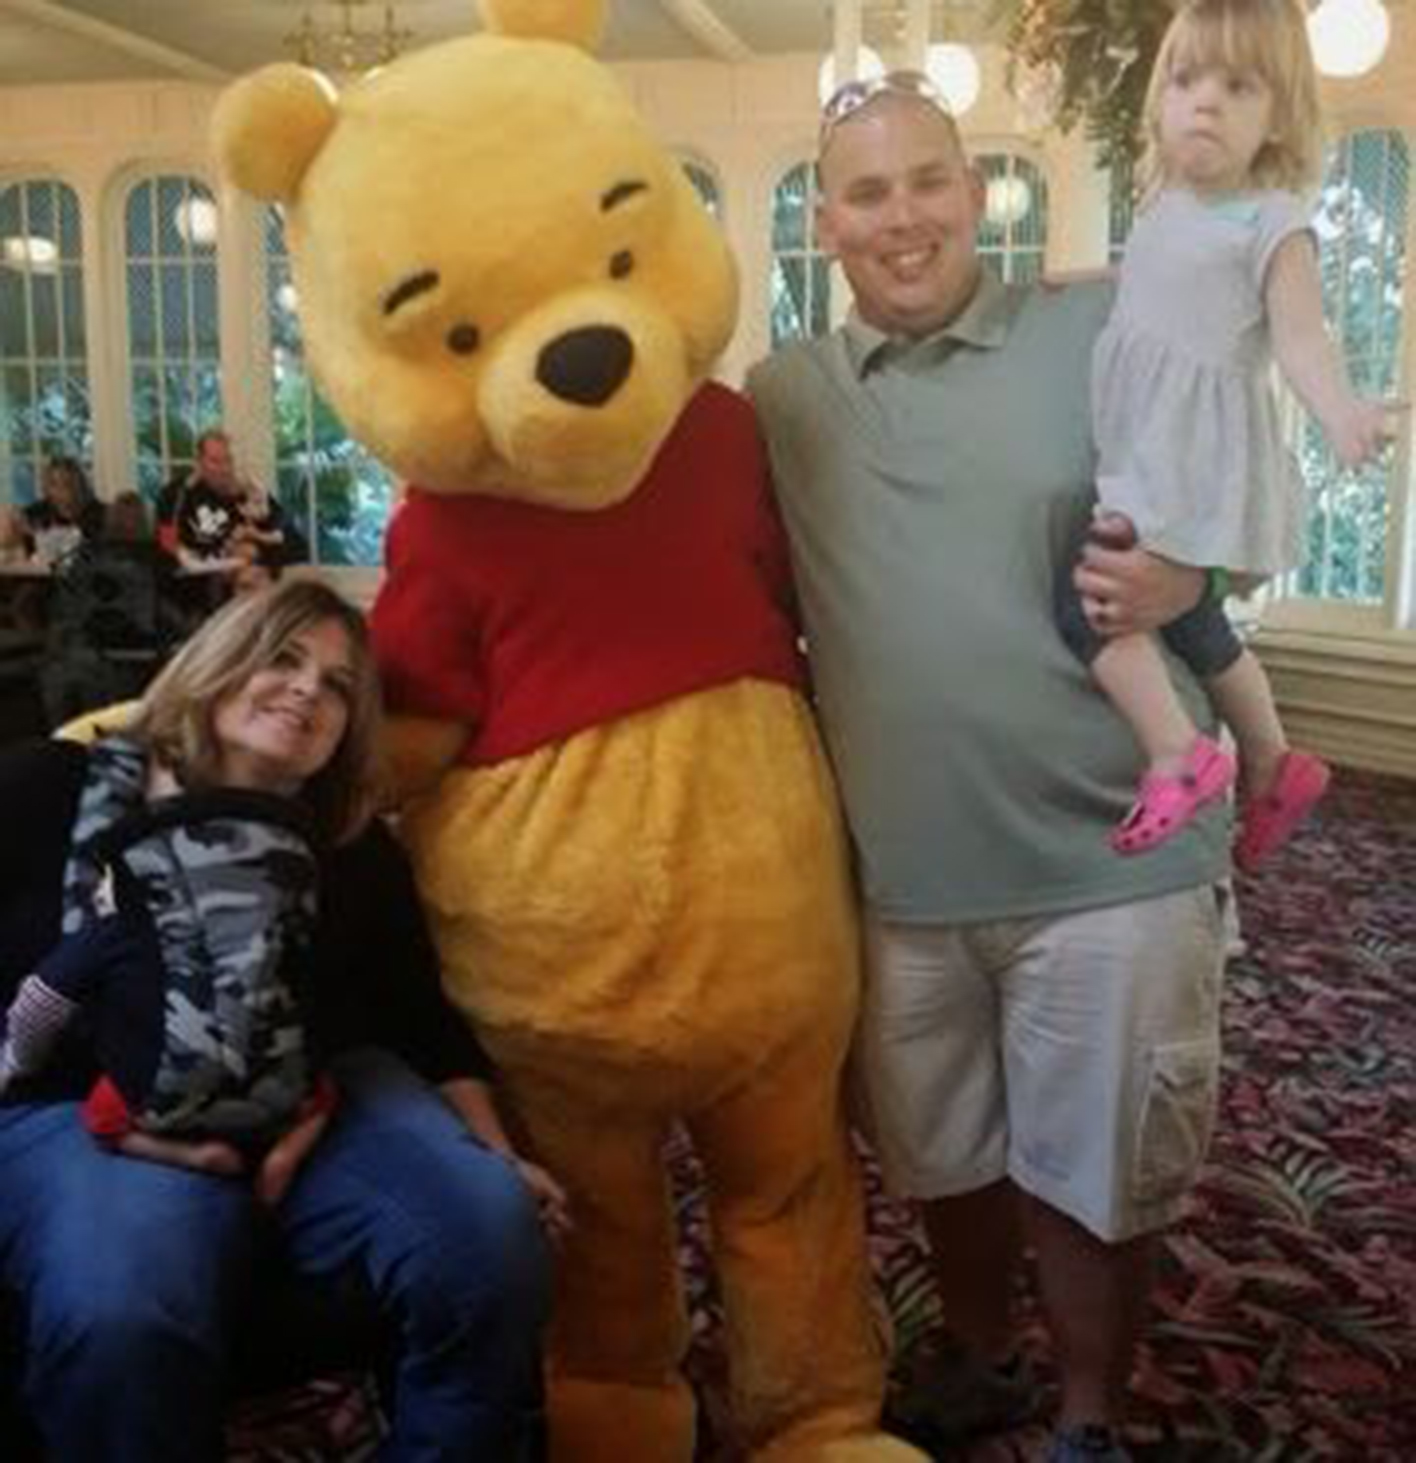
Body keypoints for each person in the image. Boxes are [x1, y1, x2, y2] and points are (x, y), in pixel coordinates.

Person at [748, 71, 1233, 1463]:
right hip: (903, 875)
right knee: (942, 1155)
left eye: (928, 182)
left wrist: (1191, 562)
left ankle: (1088, 1414)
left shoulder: (1093, 327)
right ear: (825, 224)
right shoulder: (782, 397)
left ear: (976, 193)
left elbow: (1244, 474)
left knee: (1098, 1172)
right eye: (868, 192)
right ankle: (980, 1350)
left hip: (1113, 858)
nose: (904, 218)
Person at [0, 576, 560, 1462]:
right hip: (74, 1107)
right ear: (220, 663)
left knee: (488, 1234)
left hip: (323, 1096)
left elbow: (426, 1024)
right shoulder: (48, 787)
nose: (309, 690)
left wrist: (498, 1154)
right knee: (124, 1301)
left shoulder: (352, 847)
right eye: (284, 658)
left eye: (339, 685)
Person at [1060, 0, 1398, 864]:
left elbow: (1301, 337)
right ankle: (1275, 758)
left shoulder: (1273, 221)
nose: (1203, 103)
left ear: (1278, 113)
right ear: (1160, 100)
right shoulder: (1167, 200)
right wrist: (1073, 281)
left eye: (1237, 86)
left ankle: (1178, 753)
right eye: (1185, 80)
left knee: (1091, 599)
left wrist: (1342, 414)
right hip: (1146, 442)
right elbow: (1151, 279)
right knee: (1195, 619)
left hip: (1186, 455)